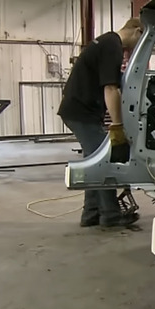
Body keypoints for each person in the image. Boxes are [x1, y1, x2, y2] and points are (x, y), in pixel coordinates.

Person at [57, 18, 144, 228]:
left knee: (94, 161)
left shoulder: (106, 42)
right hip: (81, 112)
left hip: (77, 110)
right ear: (137, 31)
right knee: (106, 162)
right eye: (142, 38)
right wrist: (117, 125)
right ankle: (111, 216)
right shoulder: (112, 45)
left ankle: (91, 213)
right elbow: (110, 88)